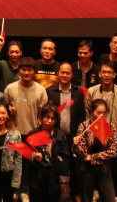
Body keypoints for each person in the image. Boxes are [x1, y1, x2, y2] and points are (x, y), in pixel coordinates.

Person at [84, 61, 117, 201]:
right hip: (94, 136)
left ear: (114, 75)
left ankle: (114, 195)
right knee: (95, 167)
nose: (106, 75)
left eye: (109, 72)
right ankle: (96, 192)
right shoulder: (92, 91)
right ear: (99, 74)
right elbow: (88, 113)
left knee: (115, 168)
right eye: (104, 72)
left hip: (114, 137)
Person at [46, 62, 85, 201]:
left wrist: (80, 135)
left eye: (67, 73)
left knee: (74, 165)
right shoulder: (50, 91)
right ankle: (55, 192)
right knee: (56, 164)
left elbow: (82, 115)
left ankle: (75, 192)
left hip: (73, 135)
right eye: (62, 72)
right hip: (56, 136)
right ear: (58, 74)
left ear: (72, 75)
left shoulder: (78, 92)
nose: (64, 75)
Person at [73, 100, 117, 202]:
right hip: (87, 171)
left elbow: (113, 152)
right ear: (91, 112)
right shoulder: (84, 126)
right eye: (98, 113)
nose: (101, 116)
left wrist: (92, 157)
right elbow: (82, 154)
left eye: (104, 113)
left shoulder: (110, 127)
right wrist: (76, 145)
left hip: (104, 170)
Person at [25, 104, 70, 202]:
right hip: (37, 177)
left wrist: (63, 180)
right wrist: (34, 156)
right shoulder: (32, 134)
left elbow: (65, 159)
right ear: (41, 117)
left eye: (53, 118)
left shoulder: (61, 137)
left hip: (54, 178)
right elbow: (26, 154)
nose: (49, 121)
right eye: (47, 117)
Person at [4, 57, 48, 137]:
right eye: (24, 70)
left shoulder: (41, 90)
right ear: (19, 70)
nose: (26, 73)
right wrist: (9, 110)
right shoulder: (10, 89)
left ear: (34, 72)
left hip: (34, 133)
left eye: (29, 70)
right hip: (14, 133)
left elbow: (44, 114)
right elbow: (3, 109)